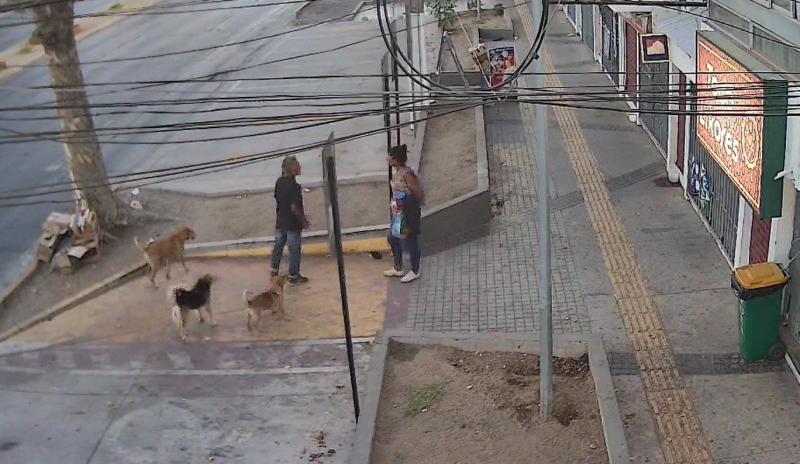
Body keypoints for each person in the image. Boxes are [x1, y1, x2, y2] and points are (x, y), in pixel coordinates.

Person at [384, 144, 425, 283]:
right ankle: (398, 267)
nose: (388, 159)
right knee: (393, 237)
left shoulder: (406, 174)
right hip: (399, 211)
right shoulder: (398, 172)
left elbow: (418, 191)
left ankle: (415, 270)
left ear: (395, 160)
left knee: (411, 239)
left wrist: (415, 208)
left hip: (408, 211)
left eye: (390, 157)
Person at [271, 156, 309, 284]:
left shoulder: (279, 182)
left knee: (278, 246)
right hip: (292, 224)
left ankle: (274, 270)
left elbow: (277, 199)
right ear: (291, 169)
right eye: (297, 166)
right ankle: (294, 276)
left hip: (280, 221)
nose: (299, 168)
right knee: (294, 249)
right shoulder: (295, 186)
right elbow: (294, 207)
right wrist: (303, 221)